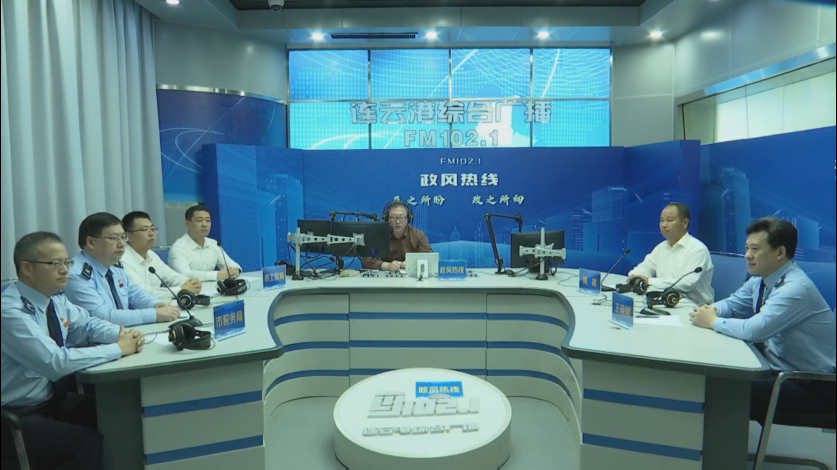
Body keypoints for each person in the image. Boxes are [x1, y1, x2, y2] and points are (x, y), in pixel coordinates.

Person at [1, 232, 144, 470]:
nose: (65, 270)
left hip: (53, 401)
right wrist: (118, 349)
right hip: (16, 415)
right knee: (85, 443)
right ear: (26, 268)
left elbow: (87, 325)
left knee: (119, 412)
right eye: (55, 263)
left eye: (66, 262)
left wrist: (121, 334)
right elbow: (55, 362)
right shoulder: (10, 312)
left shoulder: (55, 299)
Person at [690, 217, 836, 423]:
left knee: (723, 387)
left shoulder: (795, 288)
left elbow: (754, 330)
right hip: (777, 368)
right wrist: (711, 310)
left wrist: (712, 321)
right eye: (747, 248)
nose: (747, 255)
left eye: (755, 249)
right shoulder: (760, 280)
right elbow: (733, 304)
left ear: (780, 252)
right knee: (720, 375)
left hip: (810, 382)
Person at [64, 213, 181, 326]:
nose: (121, 244)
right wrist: (154, 314)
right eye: (113, 238)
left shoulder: (114, 268)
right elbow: (102, 316)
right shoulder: (76, 275)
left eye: (123, 237)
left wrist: (156, 304)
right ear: (91, 242)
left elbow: (136, 295)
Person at [627, 202, 715, 305]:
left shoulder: (697, 249)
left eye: (669, 220)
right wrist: (635, 276)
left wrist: (649, 281)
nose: (664, 225)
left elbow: (686, 283)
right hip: (666, 302)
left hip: (696, 306)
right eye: (661, 220)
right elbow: (645, 267)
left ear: (685, 223)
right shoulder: (661, 248)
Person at [121, 211, 202, 301]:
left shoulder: (151, 255)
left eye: (152, 229)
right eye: (144, 229)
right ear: (128, 236)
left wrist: (189, 282)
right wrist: (181, 289)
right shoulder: (123, 260)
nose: (151, 233)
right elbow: (141, 293)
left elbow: (171, 277)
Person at [168, 205, 242, 281]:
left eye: (208, 220)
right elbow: (184, 274)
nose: (204, 224)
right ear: (188, 224)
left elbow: (233, 266)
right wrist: (218, 274)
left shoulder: (214, 244)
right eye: (199, 220)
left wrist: (235, 271)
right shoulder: (178, 248)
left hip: (212, 288)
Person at [361, 200, 432, 272]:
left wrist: (411, 263)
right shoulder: (379, 235)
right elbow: (366, 261)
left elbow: (430, 257)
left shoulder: (417, 235)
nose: (397, 222)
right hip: (387, 275)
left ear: (408, 218)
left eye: (401, 217)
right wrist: (387, 266)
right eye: (393, 217)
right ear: (387, 218)